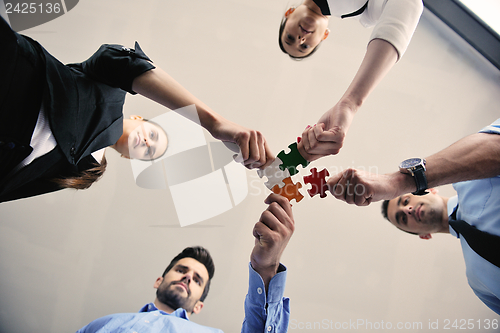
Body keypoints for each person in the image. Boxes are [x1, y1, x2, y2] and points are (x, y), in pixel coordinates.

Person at [0, 16, 273, 203]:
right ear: (138, 118)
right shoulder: (112, 90)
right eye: (153, 135)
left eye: (149, 150)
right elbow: (121, 62)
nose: (146, 142)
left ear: (131, 158)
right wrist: (214, 123)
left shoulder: (87, 170)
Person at [326, 118, 500, 314]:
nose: (407, 210)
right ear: (422, 236)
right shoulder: (478, 281)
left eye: (405, 201)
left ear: (431, 190)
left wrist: (400, 182)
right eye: (402, 218)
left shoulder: (473, 178)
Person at [76, 193, 294, 332]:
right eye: (181, 270)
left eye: (197, 280)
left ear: (199, 306)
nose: (188, 276)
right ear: (158, 280)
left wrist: (265, 268)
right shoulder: (102, 324)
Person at [277, 0, 423, 161]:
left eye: (289, 38)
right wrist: (349, 103)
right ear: (324, 35)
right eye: (304, 47)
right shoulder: (369, 12)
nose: (300, 40)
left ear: (288, 13)